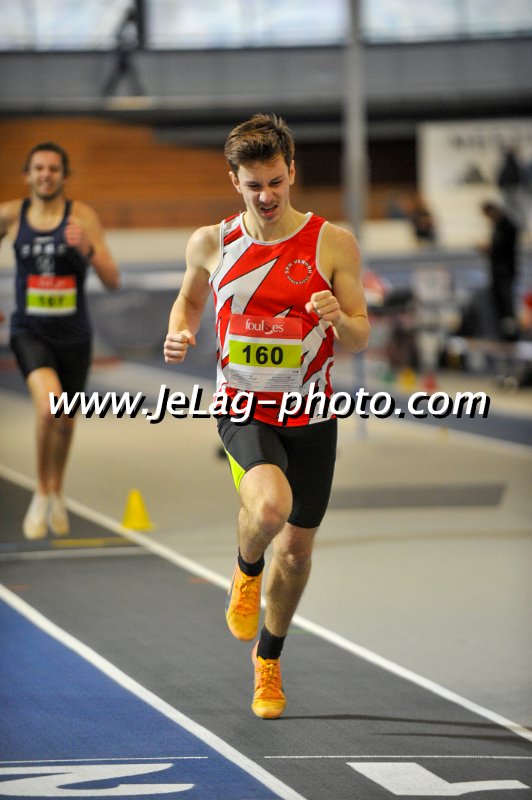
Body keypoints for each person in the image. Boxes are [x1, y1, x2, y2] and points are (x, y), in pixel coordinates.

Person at [164, 114, 369, 719]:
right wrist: (180, 331)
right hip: (243, 407)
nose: (267, 196)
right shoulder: (211, 243)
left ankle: (269, 659)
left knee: (298, 553)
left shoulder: (333, 243)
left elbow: (359, 335)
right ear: (235, 181)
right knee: (270, 509)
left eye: (276, 182)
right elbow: (189, 300)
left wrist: (338, 319)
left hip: (311, 413)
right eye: (254, 185)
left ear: (292, 172)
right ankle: (245, 568)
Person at [0, 142, 120, 539]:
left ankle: (56, 490)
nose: (46, 175)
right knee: (50, 409)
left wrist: (86, 248)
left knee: (66, 421)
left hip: (73, 336)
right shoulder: (12, 215)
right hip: (29, 331)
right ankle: (41, 491)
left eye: (53, 169)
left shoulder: (82, 216)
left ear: (64, 176)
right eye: (39, 168)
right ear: (27, 175)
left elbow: (112, 278)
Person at [480, 201, 519, 341]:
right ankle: (503, 332)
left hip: (505, 272)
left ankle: (511, 334)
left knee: (507, 305)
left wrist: (490, 249)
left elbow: (503, 248)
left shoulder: (507, 226)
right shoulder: (497, 226)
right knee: (499, 305)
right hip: (497, 272)